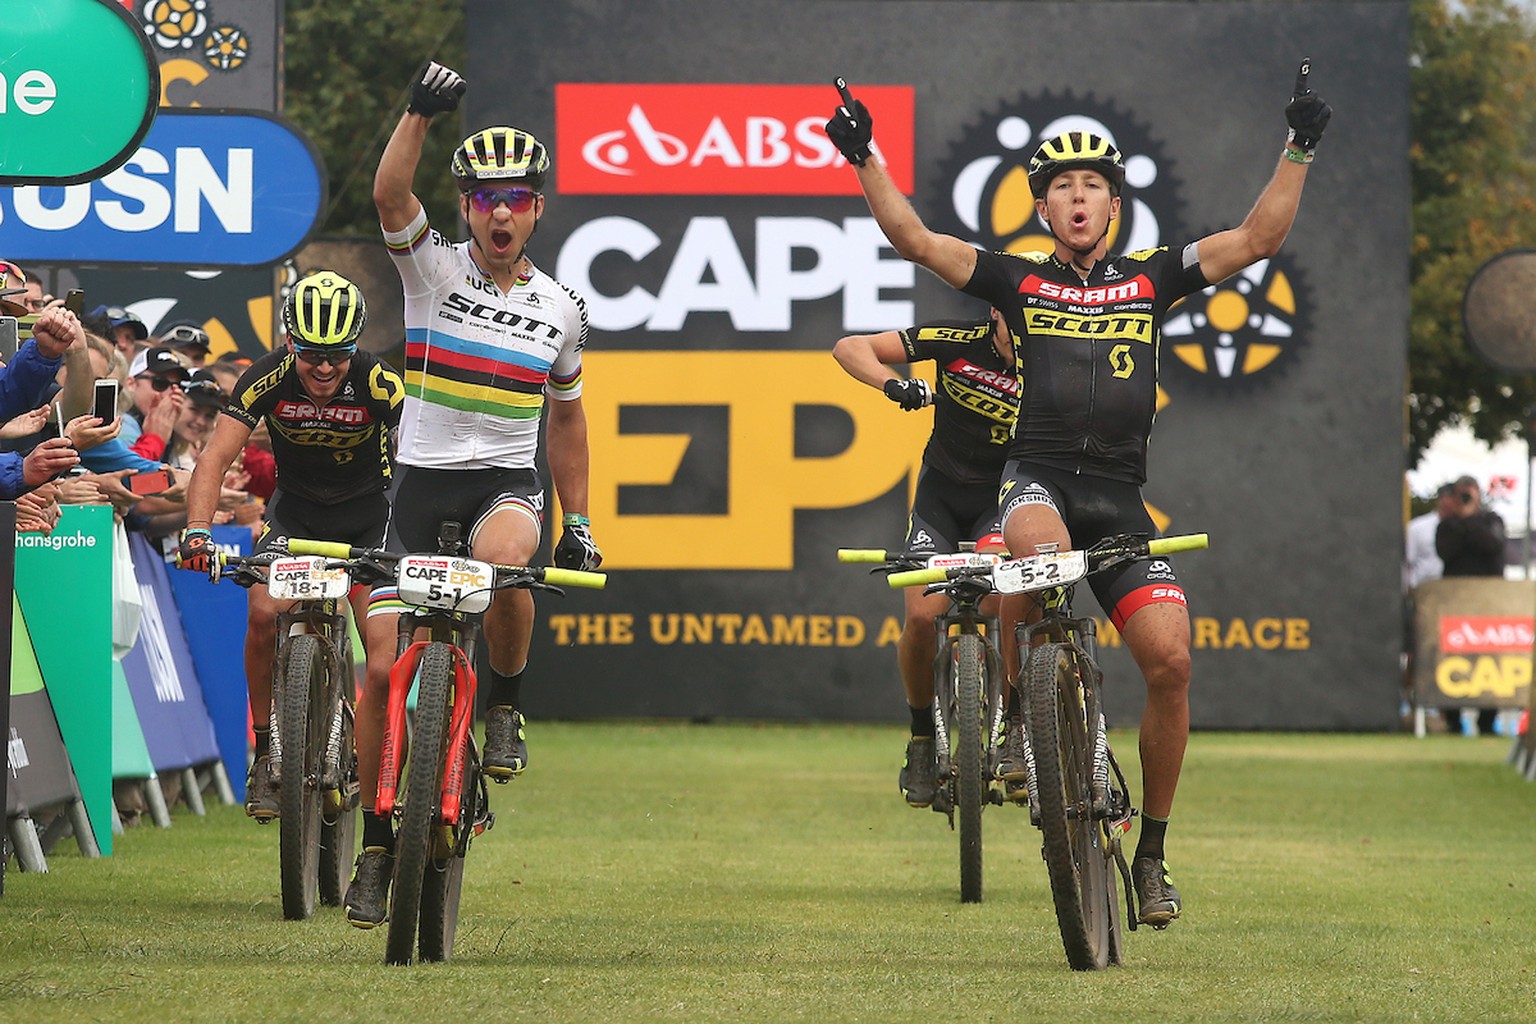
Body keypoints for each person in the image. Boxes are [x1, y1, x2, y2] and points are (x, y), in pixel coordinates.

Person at [825, 61, 1330, 927]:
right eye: (1063, 187)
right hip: (1039, 480)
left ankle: (1153, 855)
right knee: (1035, 552)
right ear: (1044, 208)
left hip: (1123, 500)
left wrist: (1300, 146)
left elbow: (1255, 240)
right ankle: (1024, 719)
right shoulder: (1015, 280)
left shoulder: (1153, 276)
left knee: (1172, 663)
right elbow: (913, 239)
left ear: (1114, 204)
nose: (1079, 199)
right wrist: (864, 155)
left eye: (1094, 184)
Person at [355, 59, 599, 927]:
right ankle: (376, 842)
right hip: (417, 483)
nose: (500, 211)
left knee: (507, 565)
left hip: (506, 480)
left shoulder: (564, 308)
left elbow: (566, 423)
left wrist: (582, 522)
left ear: (537, 208)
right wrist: (417, 111)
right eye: (485, 197)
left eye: (517, 198)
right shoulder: (433, 273)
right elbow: (389, 196)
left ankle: (504, 707)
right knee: (381, 668)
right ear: (466, 207)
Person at [175, 271, 405, 836]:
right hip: (296, 518)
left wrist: (411, 536)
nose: (323, 368)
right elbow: (213, 459)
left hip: (370, 521)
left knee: (381, 659)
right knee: (259, 614)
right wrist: (198, 531)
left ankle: (381, 776)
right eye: (310, 355)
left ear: (355, 345)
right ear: (289, 344)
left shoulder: (378, 382)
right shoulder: (266, 378)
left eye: (337, 355)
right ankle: (265, 756)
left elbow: (418, 459)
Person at [832, 308, 1015, 807]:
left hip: (1007, 500)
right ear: (994, 312)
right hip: (942, 498)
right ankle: (919, 738)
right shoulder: (955, 338)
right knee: (920, 616)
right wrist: (895, 386)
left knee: (1006, 598)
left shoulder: (1050, 354)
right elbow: (850, 348)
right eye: (1011, 315)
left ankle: (1017, 723)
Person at [1436, 474, 1507, 735]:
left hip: (1488, 605)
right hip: (1455, 604)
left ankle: (1487, 721)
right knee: (1452, 659)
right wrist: (1461, 520)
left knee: (1490, 658)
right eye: (1461, 495)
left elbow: (1493, 546)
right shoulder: (1446, 525)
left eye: (1469, 495)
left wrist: (1471, 519)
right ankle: (1453, 722)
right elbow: (1447, 552)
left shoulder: (1491, 521)